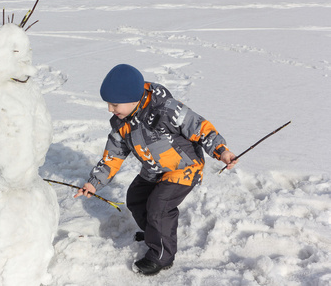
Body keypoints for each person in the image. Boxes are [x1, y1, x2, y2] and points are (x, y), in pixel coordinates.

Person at [74, 64, 238, 276]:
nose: (110, 110)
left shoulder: (166, 110)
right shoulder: (121, 122)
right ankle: (156, 233)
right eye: (108, 104)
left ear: (132, 98)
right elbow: (112, 156)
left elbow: (200, 127)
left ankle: (162, 255)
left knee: (159, 206)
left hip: (184, 168)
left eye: (114, 104)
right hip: (154, 168)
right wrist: (94, 183)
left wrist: (221, 151)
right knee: (135, 198)